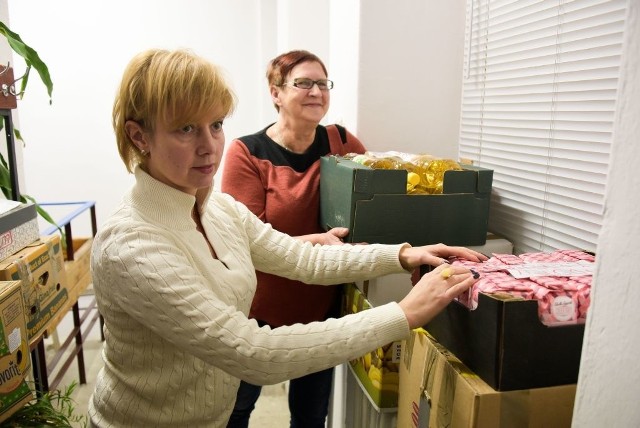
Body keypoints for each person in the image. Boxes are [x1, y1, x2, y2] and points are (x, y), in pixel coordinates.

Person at [88, 48, 487, 428]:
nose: (209, 147)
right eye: (186, 129)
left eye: (216, 125)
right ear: (139, 137)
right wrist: (404, 314)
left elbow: (301, 258)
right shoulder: (132, 247)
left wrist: (402, 255)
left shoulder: (217, 209)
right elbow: (254, 353)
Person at [220, 49, 366, 428]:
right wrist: (320, 242)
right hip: (257, 309)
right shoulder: (247, 152)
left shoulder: (342, 143)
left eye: (322, 83)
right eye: (303, 83)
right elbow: (247, 242)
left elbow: (372, 199)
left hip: (320, 308)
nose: (316, 91)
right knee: (234, 411)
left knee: (311, 416)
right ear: (276, 93)